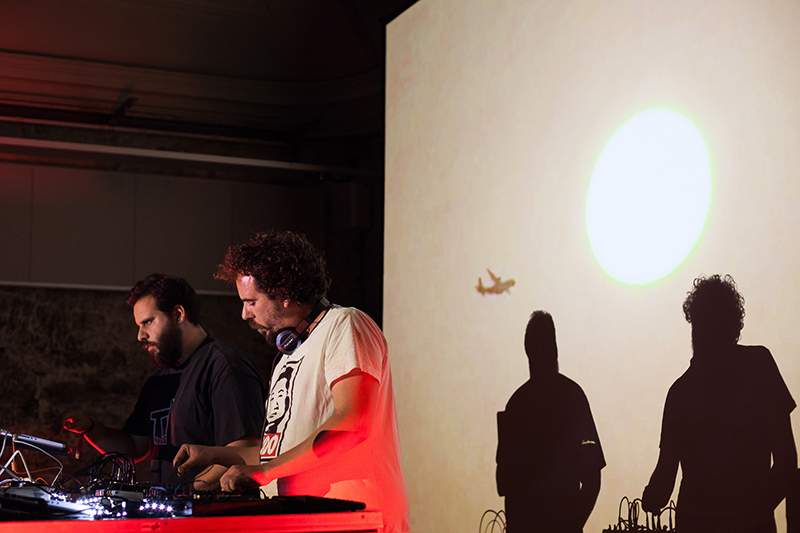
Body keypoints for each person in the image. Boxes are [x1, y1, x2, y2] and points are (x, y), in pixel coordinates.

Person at [172, 230, 410, 533]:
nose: (244, 314)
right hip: (309, 519)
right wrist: (213, 454)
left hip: (356, 517)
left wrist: (263, 473)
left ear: (284, 292)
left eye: (251, 301)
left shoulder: (345, 325)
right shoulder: (290, 352)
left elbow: (353, 423)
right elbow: (279, 453)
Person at [58, 274, 266, 488]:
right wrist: (90, 428)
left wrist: (188, 492)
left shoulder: (225, 366)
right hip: (174, 506)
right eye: (139, 326)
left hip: (211, 508)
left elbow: (244, 452)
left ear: (178, 314)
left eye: (147, 322)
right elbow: (134, 446)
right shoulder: (159, 379)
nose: (140, 335)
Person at [642, 274, 797, 532]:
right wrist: (755, 511)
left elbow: (663, 481)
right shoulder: (759, 365)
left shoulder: (681, 393)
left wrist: (650, 499)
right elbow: (787, 463)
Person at [496, 310, 605, 532]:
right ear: (554, 348)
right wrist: (572, 523)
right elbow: (592, 477)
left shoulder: (517, 405)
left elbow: (506, 485)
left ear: (527, 349)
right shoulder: (573, 397)